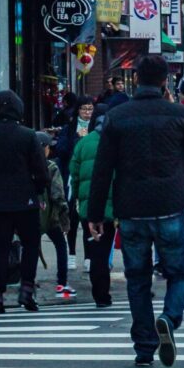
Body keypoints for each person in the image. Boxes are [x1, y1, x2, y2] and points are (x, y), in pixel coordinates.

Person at [87, 54, 184, 367]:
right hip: (170, 203)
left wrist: (95, 214)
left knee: (137, 278)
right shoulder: (180, 114)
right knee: (180, 272)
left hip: (131, 208)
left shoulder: (118, 117)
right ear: (165, 82)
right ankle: (169, 317)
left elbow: (102, 169)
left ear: (136, 80)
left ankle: (144, 347)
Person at [0, 90, 50, 314]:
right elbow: (41, 170)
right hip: (25, 200)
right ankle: (26, 289)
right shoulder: (27, 136)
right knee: (31, 244)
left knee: (0, 248)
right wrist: (38, 189)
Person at [69, 105, 116, 307]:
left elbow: (75, 175)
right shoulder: (117, 142)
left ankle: (100, 295)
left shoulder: (83, 144)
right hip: (114, 205)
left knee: (95, 250)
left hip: (89, 205)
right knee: (108, 248)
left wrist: (79, 199)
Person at [53, 95, 94, 274]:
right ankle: (71, 254)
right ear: (77, 110)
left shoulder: (96, 129)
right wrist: (77, 139)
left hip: (89, 178)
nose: (87, 113)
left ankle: (88, 257)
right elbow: (61, 150)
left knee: (87, 218)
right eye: (84, 109)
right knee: (71, 217)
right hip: (71, 178)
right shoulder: (69, 129)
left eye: (90, 109)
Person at [36, 132, 73, 299]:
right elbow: (58, 194)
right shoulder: (51, 167)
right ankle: (62, 283)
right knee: (60, 245)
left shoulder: (24, 166)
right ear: (44, 148)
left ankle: (27, 286)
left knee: (29, 249)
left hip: (30, 215)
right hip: (50, 217)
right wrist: (64, 215)